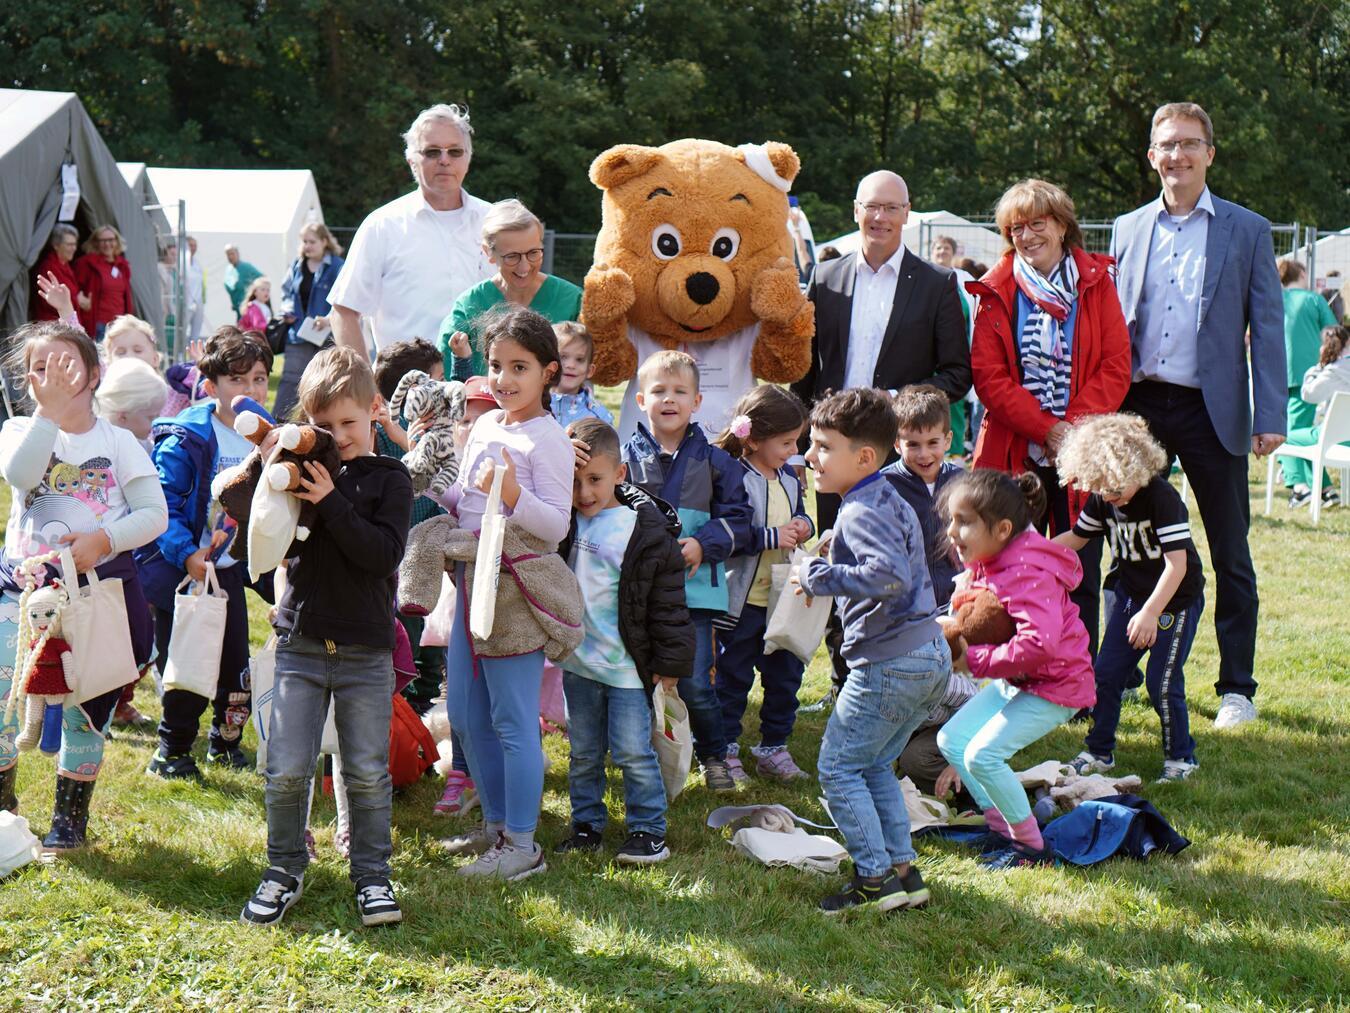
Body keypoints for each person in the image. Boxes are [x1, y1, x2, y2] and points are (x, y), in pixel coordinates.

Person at [1111, 101, 1285, 730]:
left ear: (1210, 154)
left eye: (1190, 143)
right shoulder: (1129, 227)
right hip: (1140, 409)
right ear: (1152, 156)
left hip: (1215, 410)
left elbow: (1268, 327)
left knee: (1230, 551)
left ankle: (1237, 687)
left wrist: (1270, 413)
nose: (1178, 154)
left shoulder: (1248, 229)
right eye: (1167, 144)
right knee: (1133, 544)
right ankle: (1122, 673)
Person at [241, 346, 412, 927]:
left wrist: (332, 503)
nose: (337, 437)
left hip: (365, 652)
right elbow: (267, 540)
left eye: (348, 422)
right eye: (324, 424)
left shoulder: (391, 479)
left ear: (374, 410)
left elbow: (381, 555)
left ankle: (372, 875)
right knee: (286, 769)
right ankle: (283, 868)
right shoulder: (300, 468)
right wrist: (265, 479)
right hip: (302, 643)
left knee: (366, 772)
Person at [0, 320, 166, 849]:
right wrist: (47, 415)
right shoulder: (18, 430)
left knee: (84, 708)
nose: (51, 376)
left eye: (65, 366)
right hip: (19, 593)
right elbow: (22, 476)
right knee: (2, 701)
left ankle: (68, 822)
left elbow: (154, 514)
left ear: (95, 375)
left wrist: (105, 539)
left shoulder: (118, 442)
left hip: (93, 595)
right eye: (39, 368)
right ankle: (3, 810)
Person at [793, 387, 950, 914]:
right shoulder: (884, 497)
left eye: (822, 447)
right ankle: (905, 873)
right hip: (926, 654)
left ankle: (873, 879)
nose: (810, 456)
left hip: (890, 662)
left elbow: (887, 576)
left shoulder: (860, 510)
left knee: (839, 769)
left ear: (863, 457)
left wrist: (819, 575)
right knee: (878, 764)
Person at [435, 307, 574, 882]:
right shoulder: (487, 424)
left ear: (548, 372)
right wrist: (434, 489)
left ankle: (522, 843)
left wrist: (514, 492)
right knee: (467, 716)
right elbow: (465, 498)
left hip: (514, 592)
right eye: (495, 365)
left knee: (513, 721)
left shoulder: (550, 439)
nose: (504, 378)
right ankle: (495, 827)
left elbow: (557, 525)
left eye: (519, 367)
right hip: (472, 583)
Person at [970, 178, 1132, 657]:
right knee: (1004, 566)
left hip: (1082, 454)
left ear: (1062, 226)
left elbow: (1116, 366)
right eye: (1015, 228)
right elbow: (990, 377)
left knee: (1077, 569)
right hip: (1013, 449)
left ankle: (1075, 673)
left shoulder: (1097, 283)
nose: (1026, 235)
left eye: (1036, 224)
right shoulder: (995, 289)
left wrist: (1071, 432)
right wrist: (1047, 429)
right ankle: (1009, 670)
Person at [791, 170, 971, 534]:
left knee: (901, 551)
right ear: (856, 210)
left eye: (891, 208)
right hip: (833, 448)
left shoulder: (937, 284)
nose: (880, 217)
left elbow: (958, 374)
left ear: (906, 212)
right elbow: (804, 369)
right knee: (835, 548)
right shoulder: (825, 278)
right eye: (872, 206)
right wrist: (796, 448)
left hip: (901, 450)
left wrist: (897, 398)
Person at [553, 417, 694, 864]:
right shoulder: (564, 523)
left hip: (628, 669)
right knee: (584, 753)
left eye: (595, 480)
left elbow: (668, 606)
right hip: (579, 665)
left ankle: (648, 830)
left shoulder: (645, 531)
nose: (584, 493)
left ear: (620, 473)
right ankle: (586, 824)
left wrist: (669, 665)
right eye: (574, 482)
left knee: (633, 751)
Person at [936, 470, 1095, 867]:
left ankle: (1030, 848)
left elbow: (1040, 644)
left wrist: (974, 660)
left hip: (1057, 685)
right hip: (1021, 680)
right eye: (951, 520)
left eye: (964, 521)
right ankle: (1002, 829)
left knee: (983, 756)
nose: (952, 531)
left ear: (1003, 529)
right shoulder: (990, 560)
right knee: (953, 740)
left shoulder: (1027, 571)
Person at [140, 329, 273, 779]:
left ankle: (225, 743)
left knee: (236, 666)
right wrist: (186, 554)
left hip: (231, 569)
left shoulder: (267, 435)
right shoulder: (188, 437)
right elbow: (163, 502)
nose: (250, 390)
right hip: (188, 571)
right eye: (237, 380)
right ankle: (172, 751)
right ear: (212, 387)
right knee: (188, 663)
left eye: (259, 379)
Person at [620, 350, 753, 793]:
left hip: (694, 595)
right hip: (641, 594)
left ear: (696, 401)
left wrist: (703, 543)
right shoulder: (625, 460)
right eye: (659, 391)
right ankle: (646, 757)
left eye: (680, 391)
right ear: (641, 400)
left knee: (694, 682)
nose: (669, 399)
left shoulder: (716, 462)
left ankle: (713, 755)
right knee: (641, 680)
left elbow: (739, 520)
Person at [1053, 414, 1205, 783]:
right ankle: (1099, 751)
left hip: (1173, 602)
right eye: (1100, 488)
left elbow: (1178, 565)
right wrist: (1030, 552)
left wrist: (1151, 612)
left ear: (1137, 466)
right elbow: (1077, 538)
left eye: (1115, 488)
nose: (1109, 496)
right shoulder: (1104, 498)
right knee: (1105, 675)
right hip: (1131, 597)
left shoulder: (1162, 498)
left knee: (1161, 683)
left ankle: (1181, 758)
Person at [329, 103, 493, 357]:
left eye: (455, 151)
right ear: (411, 161)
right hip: (401, 379)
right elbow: (344, 310)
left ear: (468, 158)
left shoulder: (494, 222)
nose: (444, 160)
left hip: (484, 378)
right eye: (432, 151)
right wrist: (362, 379)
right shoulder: (383, 225)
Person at [712, 385, 814, 783]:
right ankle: (724, 748)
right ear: (753, 439)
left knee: (785, 676)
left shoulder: (788, 477)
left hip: (781, 602)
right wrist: (772, 536)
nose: (794, 450)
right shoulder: (734, 476)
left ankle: (774, 747)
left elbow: (799, 513)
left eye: (796, 441)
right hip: (743, 603)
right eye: (786, 442)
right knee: (734, 678)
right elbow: (728, 533)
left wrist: (803, 524)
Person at [426, 375, 499, 818]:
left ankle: (496, 771)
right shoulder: (454, 464)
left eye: (484, 417)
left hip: (500, 600)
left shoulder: (505, 464)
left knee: (497, 690)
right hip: (460, 596)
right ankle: (460, 771)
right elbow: (442, 493)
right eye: (466, 419)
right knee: (459, 687)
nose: (472, 426)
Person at [370, 337, 448, 720]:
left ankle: (423, 701)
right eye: (438, 381)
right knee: (408, 626)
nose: (445, 388)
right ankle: (404, 704)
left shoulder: (434, 425)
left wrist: (464, 359)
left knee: (434, 634)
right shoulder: (385, 430)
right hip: (402, 553)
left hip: (432, 547)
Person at [438, 199, 582, 381]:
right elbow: (445, 375)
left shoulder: (571, 300)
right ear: (488, 252)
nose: (524, 267)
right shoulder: (470, 306)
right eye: (512, 256)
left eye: (533, 253)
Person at [880, 384, 964, 609]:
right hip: (907, 607)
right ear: (897, 444)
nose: (924, 454)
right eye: (913, 445)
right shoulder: (885, 487)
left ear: (947, 440)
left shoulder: (962, 482)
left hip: (956, 600)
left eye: (932, 443)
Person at [1276, 260, 1339, 507]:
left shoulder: (1274, 298)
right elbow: (1333, 334)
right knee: (1296, 432)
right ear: (1302, 273)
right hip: (1306, 375)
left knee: (1291, 431)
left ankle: (1311, 487)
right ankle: (1312, 487)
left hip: (1275, 372)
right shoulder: (1314, 299)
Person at [275, 224, 346, 422]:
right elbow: (287, 294)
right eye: (304, 241)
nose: (307, 246)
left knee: (324, 384)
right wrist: (287, 311)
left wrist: (329, 319)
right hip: (298, 334)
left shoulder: (337, 266)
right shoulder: (297, 266)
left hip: (326, 336)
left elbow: (344, 298)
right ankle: (276, 426)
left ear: (324, 241)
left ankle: (320, 426)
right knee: (290, 382)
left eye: (312, 241)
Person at [1282, 325, 1350, 504]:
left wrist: (1319, 366)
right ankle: (1327, 490)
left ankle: (1300, 488)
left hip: (1336, 438)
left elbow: (1309, 395)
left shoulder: (1332, 371)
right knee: (1308, 440)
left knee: (1285, 436)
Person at [96, 357, 169, 454]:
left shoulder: (145, 446)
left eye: (158, 416)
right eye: (151, 418)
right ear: (122, 416)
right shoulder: (100, 447)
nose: (156, 424)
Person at [74, 225, 135, 339]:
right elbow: (74, 288)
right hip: (98, 324)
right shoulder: (85, 264)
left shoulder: (123, 265)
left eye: (111, 240)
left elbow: (126, 296)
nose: (107, 244)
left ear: (117, 241)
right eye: (102, 240)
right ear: (95, 243)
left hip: (120, 324)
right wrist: (78, 298)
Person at [550, 322, 613, 429]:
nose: (571, 365)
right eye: (563, 357)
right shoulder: (532, 404)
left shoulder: (599, 417)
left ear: (590, 370)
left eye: (579, 359)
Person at [30, 224, 84, 323]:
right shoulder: (48, 268)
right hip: (53, 325)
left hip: (67, 322)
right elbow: (49, 301)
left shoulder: (66, 265)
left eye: (75, 244)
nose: (74, 248)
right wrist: (78, 300)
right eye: (69, 244)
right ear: (56, 245)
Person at [223, 244, 263, 316]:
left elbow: (262, 279)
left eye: (232, 253)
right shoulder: (228, 270)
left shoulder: (246, 267)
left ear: (237, 254)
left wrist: (255, 296)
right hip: (237, 308)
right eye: (228, 254)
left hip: (247, 308)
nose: (230, 257)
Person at [185, 237, 206, 343]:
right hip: (186, 303)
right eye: (191, 245)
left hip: (198, 302)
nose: (193, 248)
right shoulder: (182, 261)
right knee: (182, 331)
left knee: (195, 333)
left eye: (195, 245)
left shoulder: (197, 263)